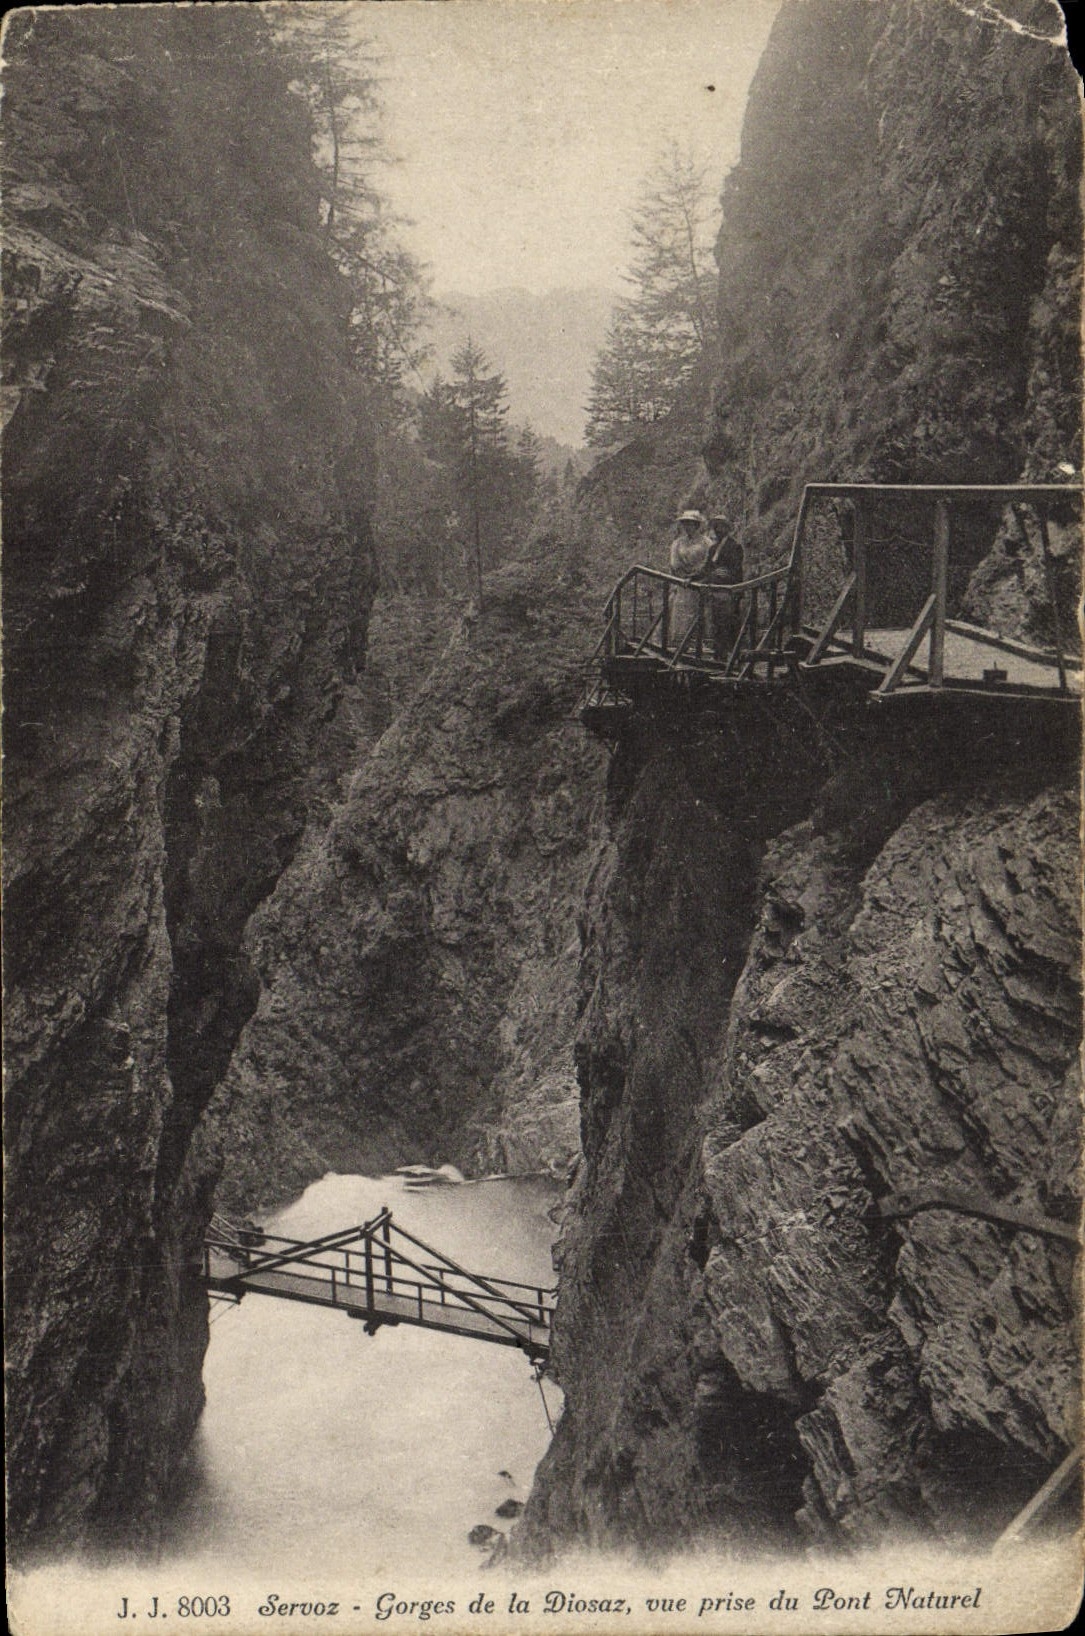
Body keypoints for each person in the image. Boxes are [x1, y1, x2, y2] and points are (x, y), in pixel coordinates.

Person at [668, 509, 710, 653]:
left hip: (700, 581)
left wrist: (696, 575)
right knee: (681, 610)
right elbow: (674, 563)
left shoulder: (706, 542)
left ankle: (698, 643)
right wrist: (683, 576)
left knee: (699, 611)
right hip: (683, 582)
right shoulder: (678, 543)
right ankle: (681, 643)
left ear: (697, 525)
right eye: (685, 523)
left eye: (691, 524)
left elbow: (708, 562)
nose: (687, 527)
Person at [705, 513, 744, 662]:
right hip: (715, 590)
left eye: (720, 526)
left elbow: (736, 570)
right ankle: (719, 657)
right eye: (715, 527)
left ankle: (734, 657)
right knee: (717, 624)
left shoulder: (735, 547)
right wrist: (694, 578)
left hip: (729, 591)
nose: (717, 530)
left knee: (730, 624)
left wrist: (726, 576)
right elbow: (707, 568)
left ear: (727, 529)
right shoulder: (713, 548)